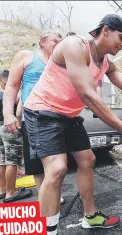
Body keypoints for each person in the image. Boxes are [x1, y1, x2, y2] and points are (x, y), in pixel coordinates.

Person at [4, 14, 122, 235]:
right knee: (56, 169)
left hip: (69, 116)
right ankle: (47, 231)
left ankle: (90, 216)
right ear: (105, 31)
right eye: (120, 38)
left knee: (88, 159)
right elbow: (89, 97)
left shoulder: (105, 63)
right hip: (42, 112)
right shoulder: (75, 46)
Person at [3, 31, 66, 205]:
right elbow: (12, 85)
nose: (59, 44)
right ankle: (44, 195)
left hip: (56, 118)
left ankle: (54, 192)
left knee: (57, 162)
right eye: (55, 41)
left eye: (61, 42)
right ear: (42, 41)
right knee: (35, 162)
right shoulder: (26, 56)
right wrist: (9, 114)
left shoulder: (61, 61)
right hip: (32, 118)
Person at [0, 70, 33, 203]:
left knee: (2, 160)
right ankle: (11, 192)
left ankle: (2, 189)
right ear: (5, 81)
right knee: (12, 161)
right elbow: (19, 110)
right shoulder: (12, 95)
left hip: (0, 128)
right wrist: (19, 123)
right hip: (10, 128)